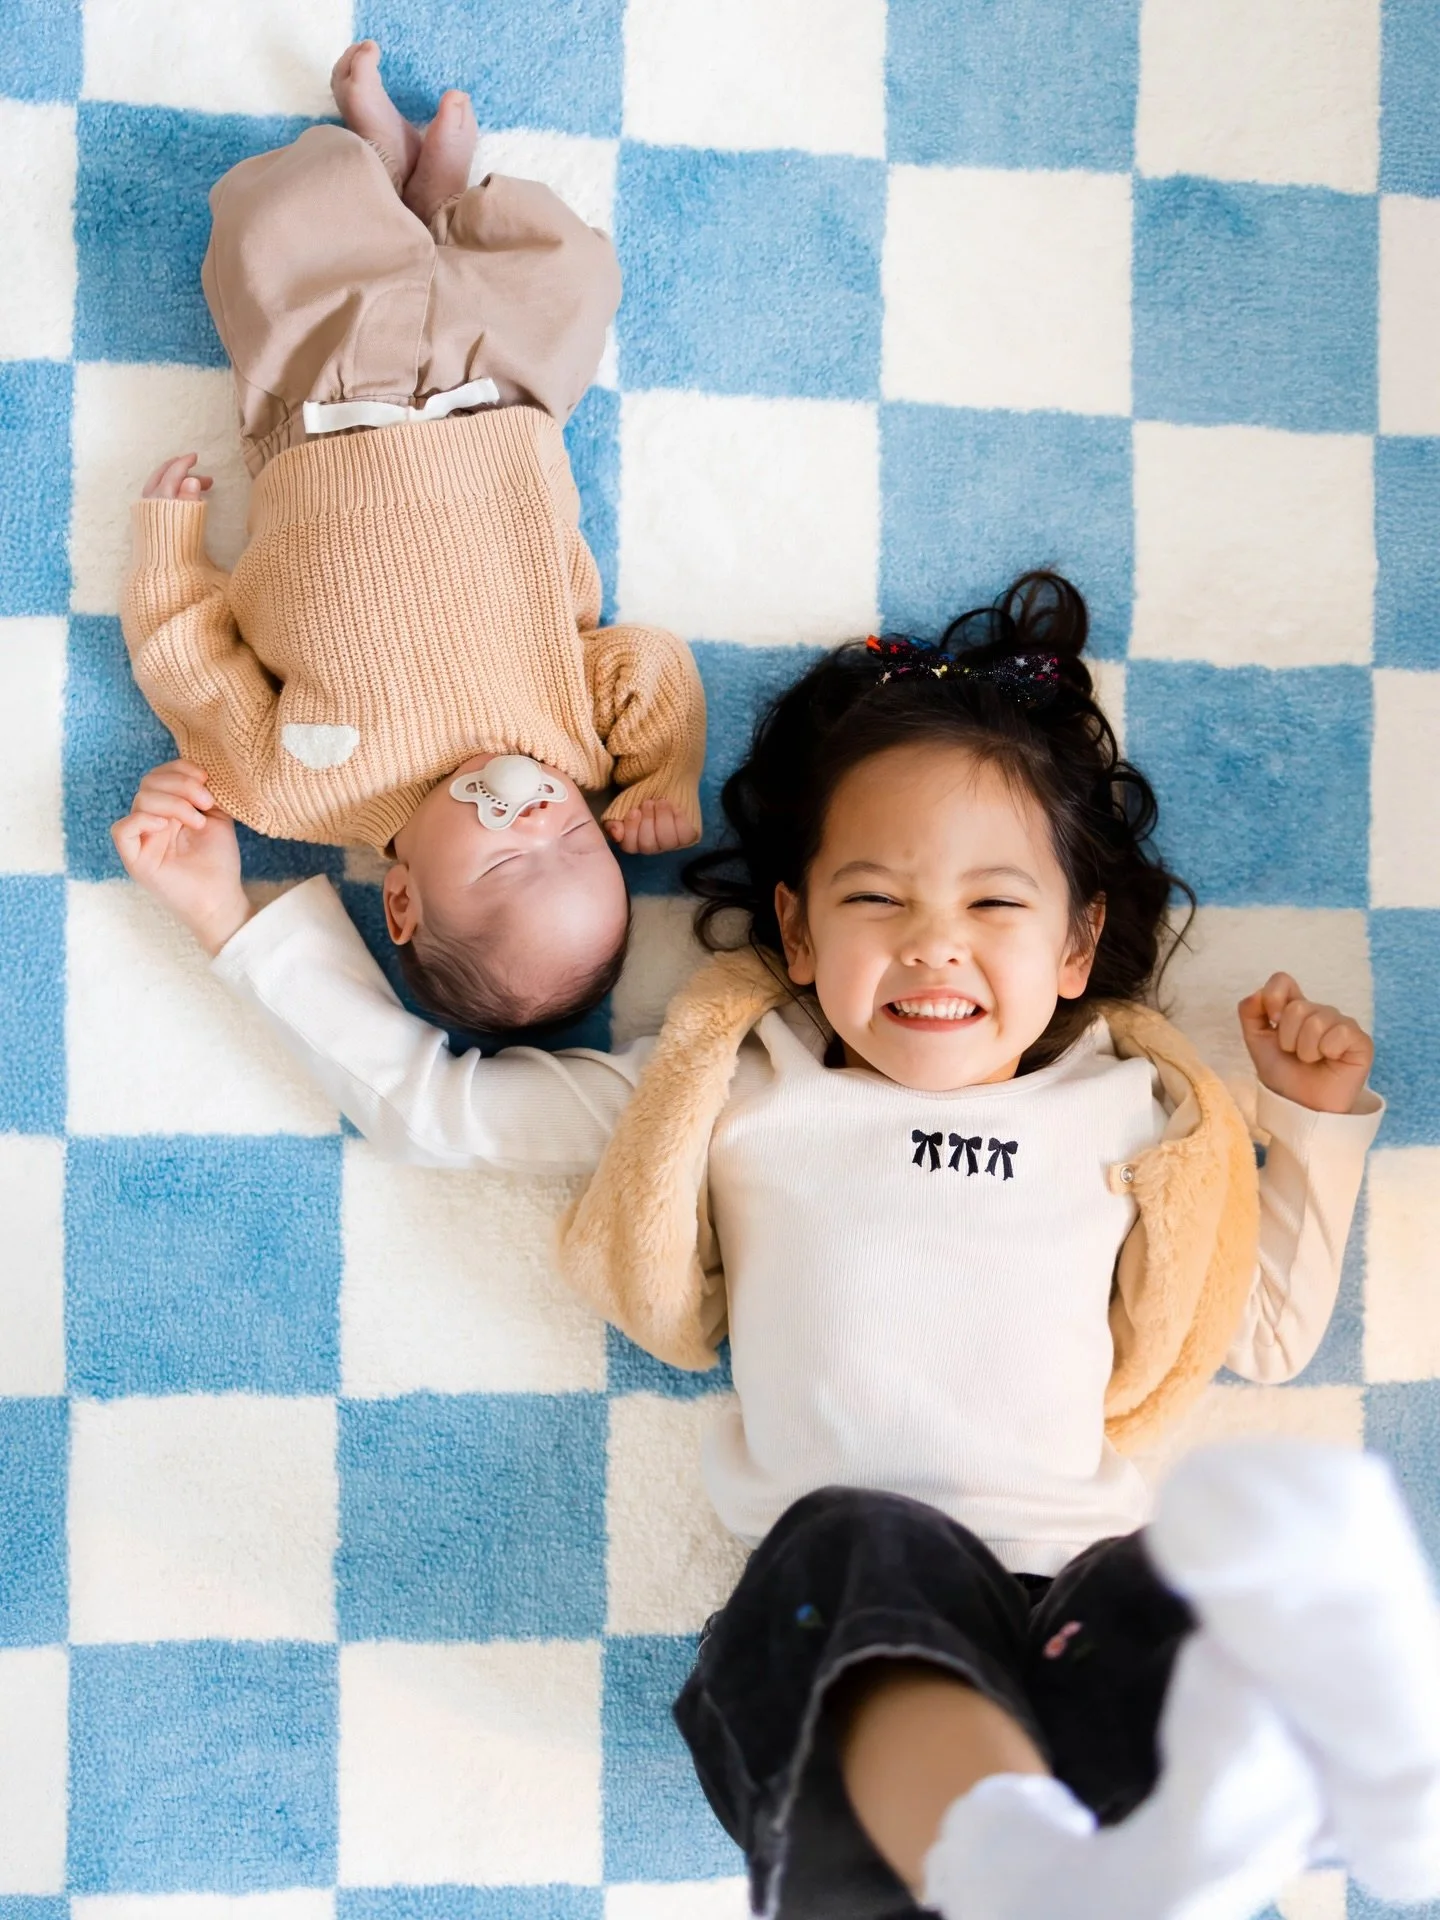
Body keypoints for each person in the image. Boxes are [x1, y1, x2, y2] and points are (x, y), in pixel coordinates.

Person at [111, 573, 1440, 1920]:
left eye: (994, 906)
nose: (934, 948)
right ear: (798, 931)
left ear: (1078, 943)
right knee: (862, 1548)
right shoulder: (737, 1086)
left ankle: (1287, 1793)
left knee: (1172, 1588)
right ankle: (1028, 1854)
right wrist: (229, 914)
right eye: (876, 900)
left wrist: (1309, 1125)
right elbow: (439, 1110)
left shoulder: (1135, 1110)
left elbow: (1259, 1329)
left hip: (1071, 1594)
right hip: (837, 1645)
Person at [120, 41, 705, 1037]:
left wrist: (168, 548)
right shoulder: (572, 741)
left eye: (509, 861)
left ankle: (383, 176)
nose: (540, 821)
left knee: (279, 230)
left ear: (402, 901)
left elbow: (190, 669)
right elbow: (650, 666)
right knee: (571, 273)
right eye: (579, 844)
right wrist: (665, 773)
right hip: (502, 396)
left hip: (324, 404)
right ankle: (436, 199)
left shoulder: (290, 792)